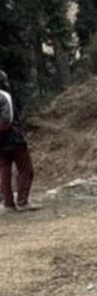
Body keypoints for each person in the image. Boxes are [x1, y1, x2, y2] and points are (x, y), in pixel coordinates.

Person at [0, 71, 37, 212]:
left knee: (4, 171)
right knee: (26, 169)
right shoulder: (4, 96)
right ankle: (22, 202)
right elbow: (6, 120)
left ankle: (8, 204)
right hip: (13, 139)